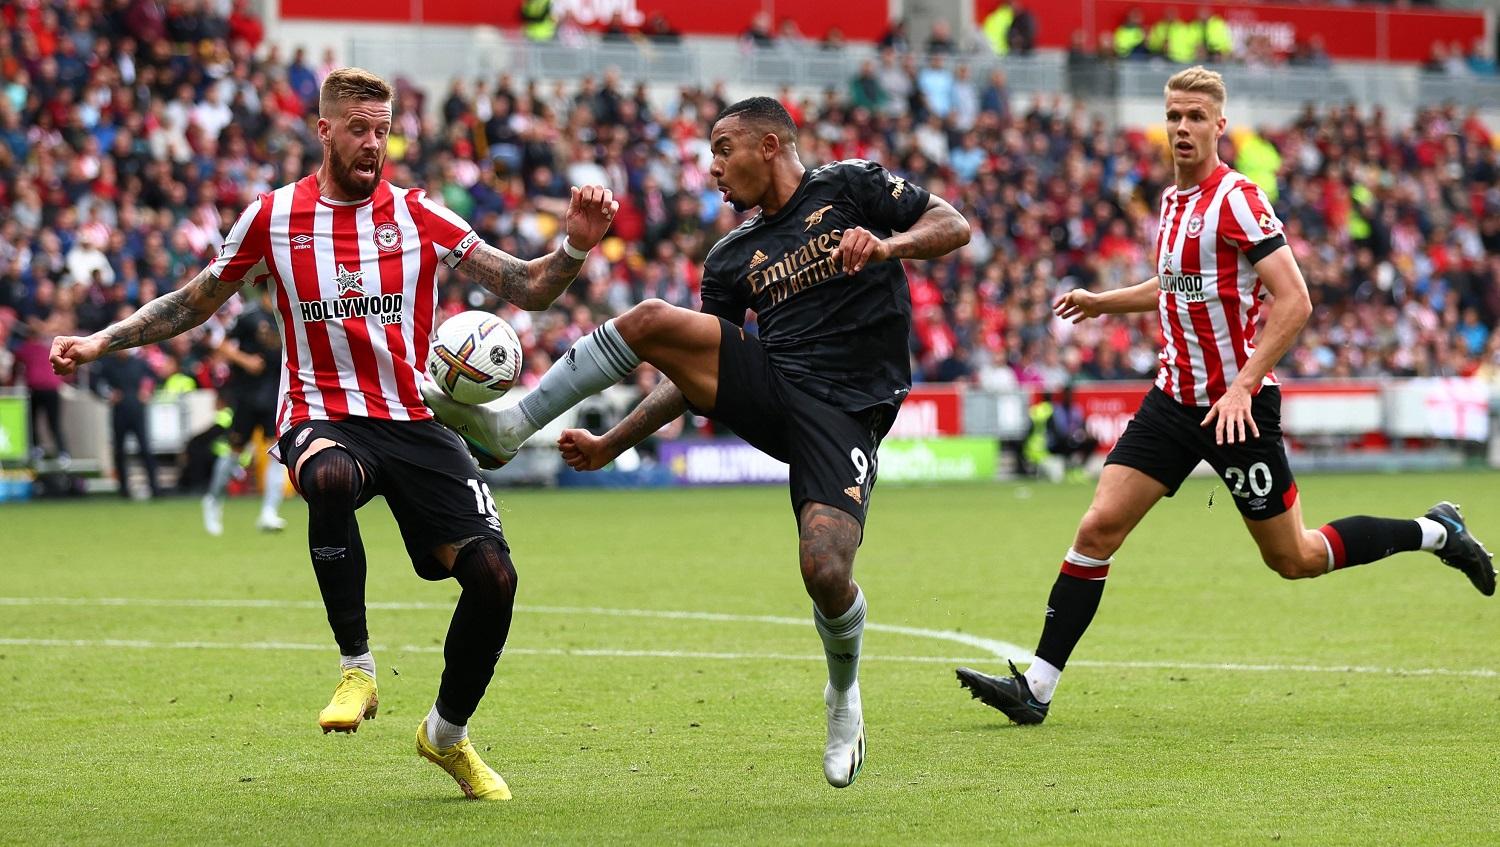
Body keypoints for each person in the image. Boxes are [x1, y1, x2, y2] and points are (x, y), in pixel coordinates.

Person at [51, 67, 618, 800]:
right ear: (324, 130)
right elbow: (193, 301)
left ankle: (446, 735)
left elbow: (527, 286)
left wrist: (573, 248)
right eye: (359, 129)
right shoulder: (273, 218)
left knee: (494, 578)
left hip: (414, 419)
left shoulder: (420, 215)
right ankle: (358, 668)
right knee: (326, 478)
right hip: (320, 413)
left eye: (383, 131)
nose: (373, 144)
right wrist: (102, 340)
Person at [422, 96, 971, 787]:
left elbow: (954, 223)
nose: (711, 168)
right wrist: (612, 442)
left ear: (769, 145)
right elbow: (693, 373)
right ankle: (511, 425)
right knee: (653, 318)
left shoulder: (849, 186)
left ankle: (842, 697)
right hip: (775, 384)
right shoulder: (730, 258)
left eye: (722, 149)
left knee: (826, 570)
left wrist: (888, 243)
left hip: (845, 412)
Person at [954, 67, 1495, 726]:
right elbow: (1173, 281)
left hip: (1238, 409)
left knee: (1293, 558)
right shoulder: (1171, 201)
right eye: (1174, 116)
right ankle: (1036, 687)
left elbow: (1295, 300)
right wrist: (1106, 302)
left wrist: (1242, 385)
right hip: (1174, 400)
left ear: (1219, 126)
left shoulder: (1237, 198)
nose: (1183, 128)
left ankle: (1438, 532)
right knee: (1098, 526)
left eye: (1195, 117)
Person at [201, 284, 288, 535]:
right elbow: (222, 345)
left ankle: (269, 512)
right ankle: (213, 500)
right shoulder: (249, 315)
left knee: (275, 450)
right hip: (247, 395)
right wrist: (245, 361)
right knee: (235, 450)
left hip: (274, 393)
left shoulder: (287, 315)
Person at [89, 345, 161, 498]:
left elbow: (152, 377)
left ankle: (155, 488)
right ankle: (124, 490)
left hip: (137, 410)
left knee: (145, 449)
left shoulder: (139, 362)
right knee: (119, 451)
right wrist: (108, 394)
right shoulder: (107, 364)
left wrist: (147, 390)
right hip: (119, 411)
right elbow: (94, 383)